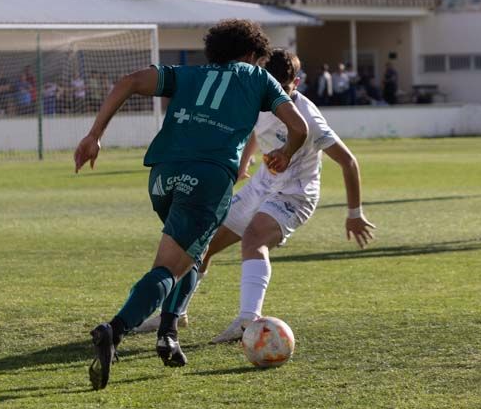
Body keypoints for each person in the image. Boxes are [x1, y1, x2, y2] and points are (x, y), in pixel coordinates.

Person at [73, 19, 308, 390]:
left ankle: (168, 331)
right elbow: (300, 129)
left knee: (192, 253)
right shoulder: (257, 78)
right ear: (250, 55)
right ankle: (114, 330)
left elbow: (128, 82)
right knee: (170, 266)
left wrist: (93, 136)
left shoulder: (186, 74)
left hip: (162, 176)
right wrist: (285, 152)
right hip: (209, 178)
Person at [133, 48, 375, 343]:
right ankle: (176, 312)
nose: (275, 98)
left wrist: (354, 214)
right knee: (200, 243)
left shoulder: (308, 118)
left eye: (283, 90)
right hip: (260, 188)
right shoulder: (255, 95)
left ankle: (248, 321)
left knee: (254, 239)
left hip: (295, 195)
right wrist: (245, 162)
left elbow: (348, 161)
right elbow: (252, 131)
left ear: (295, 84)